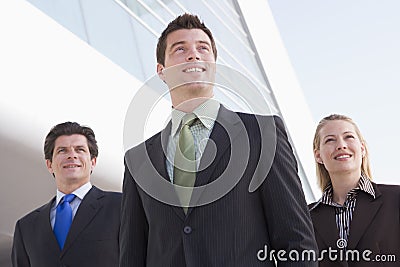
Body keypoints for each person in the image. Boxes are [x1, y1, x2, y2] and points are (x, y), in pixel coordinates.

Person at [120, 13, 318, 266]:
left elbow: (297, 242)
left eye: (202, 48)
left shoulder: (262, 132)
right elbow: (132, 255)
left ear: (213, 63)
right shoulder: (138, 159)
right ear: (161, 71)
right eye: (180, 49)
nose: (193, 55)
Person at [11, 122, 121, 267]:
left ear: (93, 162)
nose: (72, 155)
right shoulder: (26, 227)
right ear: (49, 165)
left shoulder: (121, 207)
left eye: (80, 149)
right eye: (62, 151)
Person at [309, 114, 400, 266]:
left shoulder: (396, 199)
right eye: (330, 140)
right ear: (318, 156)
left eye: (348, 137)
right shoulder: (305, 218)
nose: (341, 145)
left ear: (362, 148)